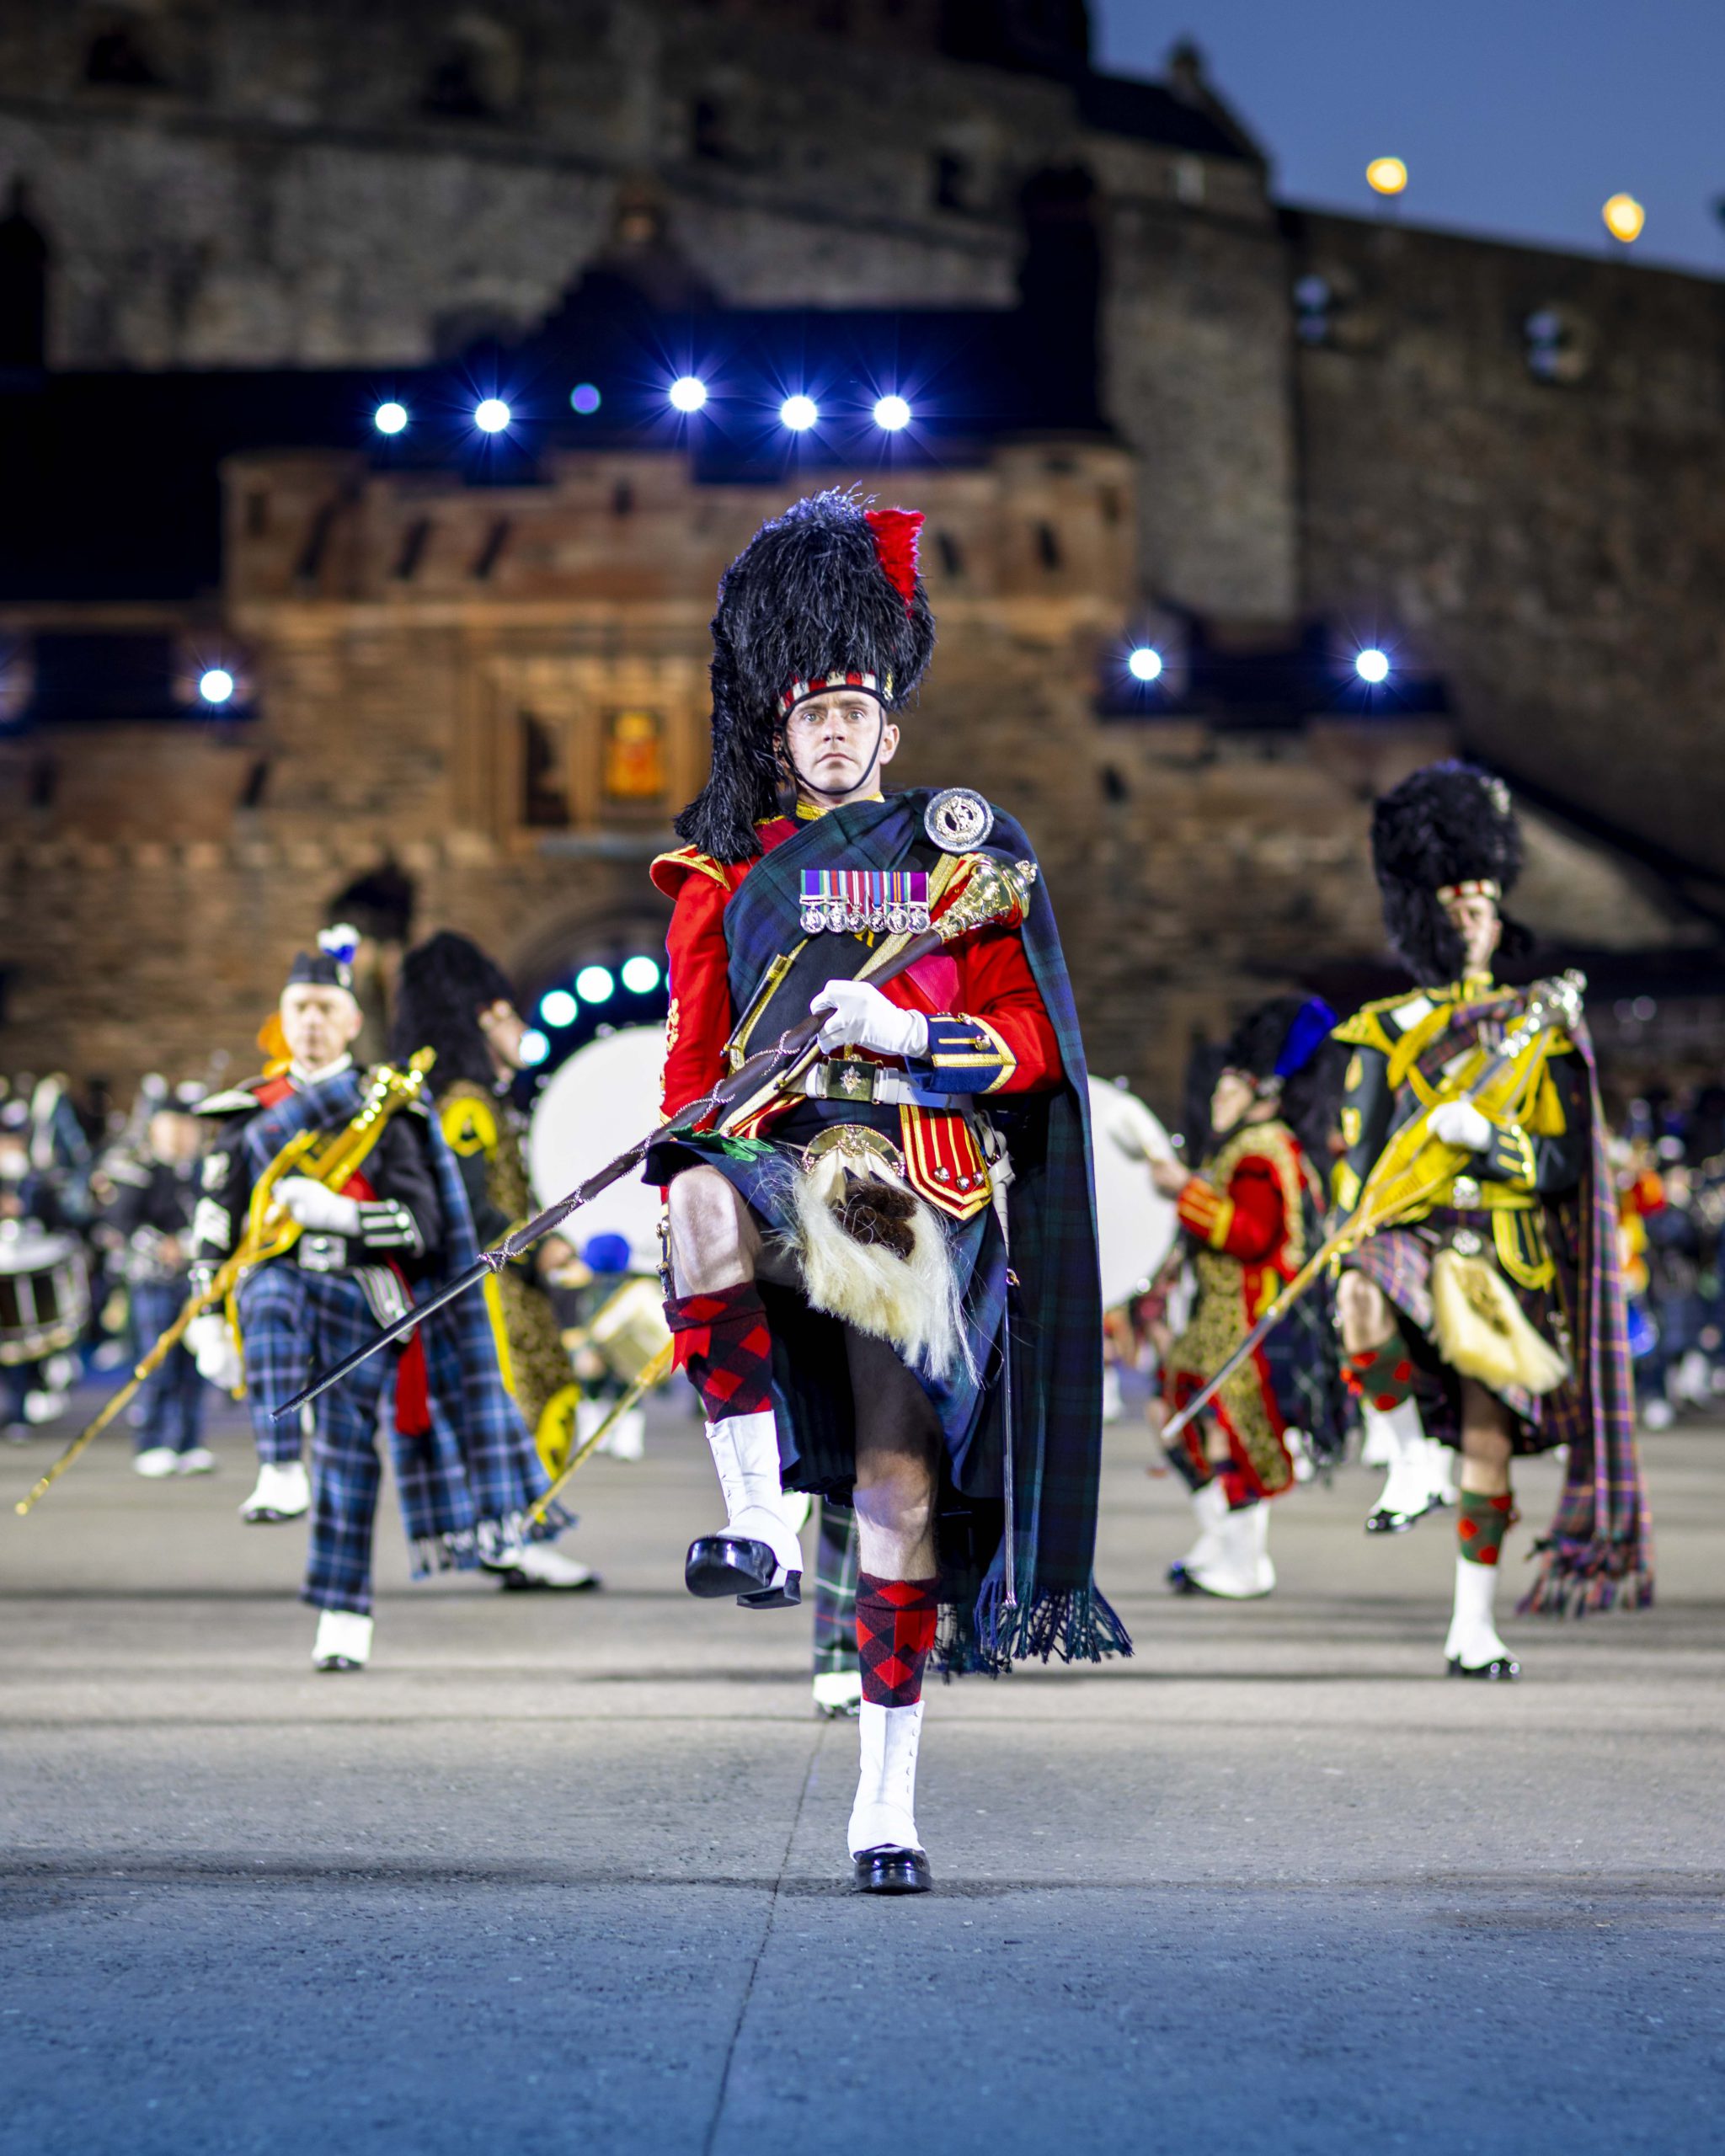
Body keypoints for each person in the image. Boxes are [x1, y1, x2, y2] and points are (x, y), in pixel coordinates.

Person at [647, 489, 1126, 1893]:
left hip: (908, 1186)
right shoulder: (718, 873)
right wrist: (695, 1132)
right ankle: (747, 1525)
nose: (836, 733)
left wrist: (906, 1032)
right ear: (779, 731)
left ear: (889, 730)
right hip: (779, 1154)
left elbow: (1037, 1045)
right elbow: (689, 1068)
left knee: (897, 1490)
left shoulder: (956, 855)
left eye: (857, 712)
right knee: (693, 1199)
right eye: (812, 716)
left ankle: (885, 1805)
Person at [1331, 762, 1651, 1678]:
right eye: (1454, 905)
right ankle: (1402, 1457)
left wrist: (1493, 1137)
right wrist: (1356, 1212)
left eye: (1481, 903)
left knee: (1484, 1434)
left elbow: (1564, 1162)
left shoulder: (1541, 1027)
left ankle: (1472, 1624)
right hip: (1415, 1228)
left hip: (1507, 1249)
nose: (1470, 917)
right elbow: (1359, 1162)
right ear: (1428, 917)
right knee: (1358, 1291)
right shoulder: (1383, 1029)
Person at [185, 929, 566, 1668]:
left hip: (365, 1294)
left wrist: (340, 1216)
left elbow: (423, 1226)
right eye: (300, 1008)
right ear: (283, 1016)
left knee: (348, 1455)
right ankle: (276, 1466)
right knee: (266, 1294)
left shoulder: (388, 1109)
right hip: (280, 1283)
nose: (313, 1023)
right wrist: (205, 1318)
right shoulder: (246, 1113)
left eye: (327, 1009)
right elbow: (215, 1224)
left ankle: (342, 1613)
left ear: (353, 1023)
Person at [387, 929, 597, 1589]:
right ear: (484, 1016)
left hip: (504, 1283)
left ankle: (514, 1534)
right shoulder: (467, 1105)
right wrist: (544, 1245)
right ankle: (520, 1536)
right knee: (525, 1402)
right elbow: (476, 1209)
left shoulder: (474, 1097)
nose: (521, 1027)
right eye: (509, 1013)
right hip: (493, 1293)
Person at [1149, 995, 1346, 1599]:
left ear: (1261, 1093)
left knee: (1232, 1438)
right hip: (1217, 1317)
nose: (1217, 1099)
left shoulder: (1262, 1149)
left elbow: (1252, 1235)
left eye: (1229, 1089)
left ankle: (1245, 1559)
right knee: (1176, 1423)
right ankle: (1222, 1543)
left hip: (1247, 1322)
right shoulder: (1246, 1144)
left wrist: (1186, 1190)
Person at [96, 1081, 216, 1476]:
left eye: (188, 1124)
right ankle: (152, 1441)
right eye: (173, 1123)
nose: (182, 1132)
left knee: (195, 1366)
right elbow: (120, 1220)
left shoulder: (204, 1170)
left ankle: (188, 1442)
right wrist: (159, 1245)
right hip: (154, 1280)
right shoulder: (140, 1169)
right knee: (157, 1361)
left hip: (196, 1279)